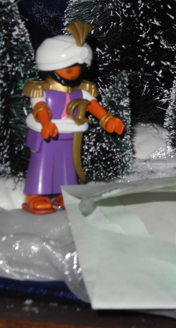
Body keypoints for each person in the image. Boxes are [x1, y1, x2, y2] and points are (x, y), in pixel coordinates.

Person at [22, 21, 123, 215]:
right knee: (43, 164)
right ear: (52, 66)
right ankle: (35, 196)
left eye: (78, 69)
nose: (75, 73)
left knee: (66, 166)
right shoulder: (41, 90)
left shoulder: (81, 91)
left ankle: (65, 193)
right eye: (69, 69)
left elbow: (92, 105)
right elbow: (39, 107)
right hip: (46, 135)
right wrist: (45, 122)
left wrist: (107, 119)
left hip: (70, 136)